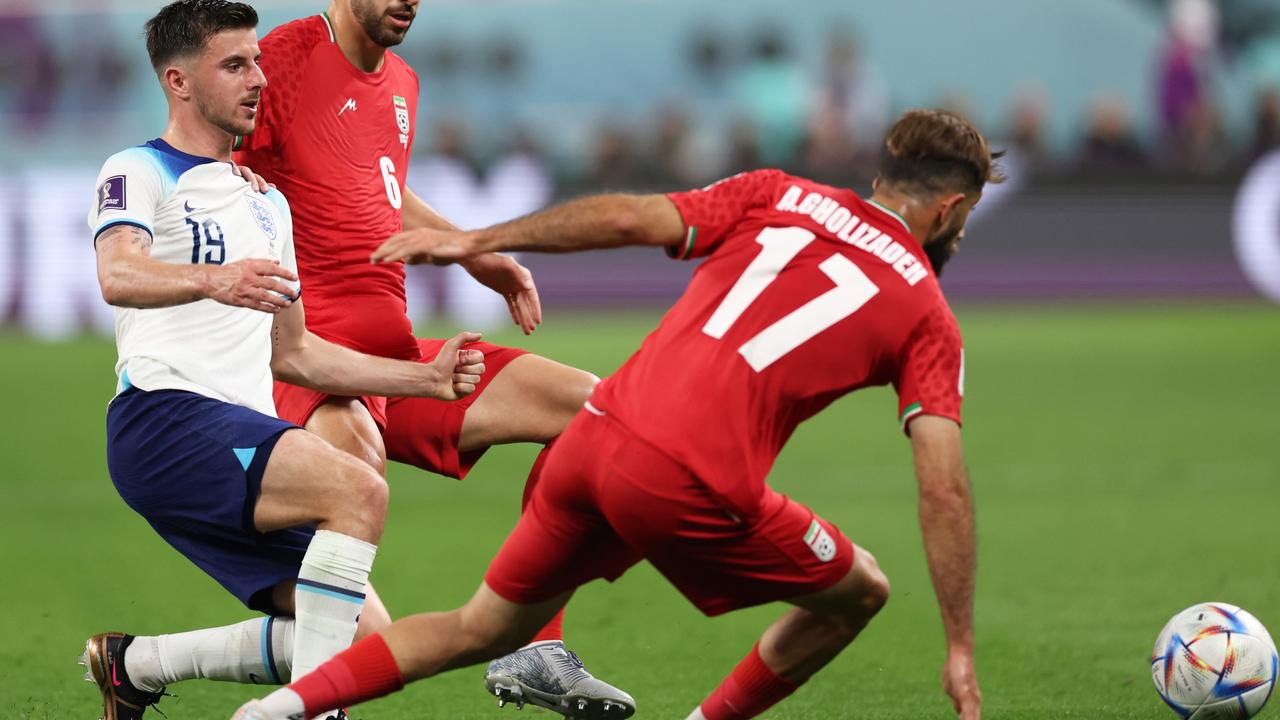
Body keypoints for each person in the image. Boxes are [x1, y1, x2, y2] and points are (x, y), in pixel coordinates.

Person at [234, 108, 998, 720]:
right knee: (859, 589)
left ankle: (275, 713)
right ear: (951, 208)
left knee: (477, 629)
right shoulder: (927, 314)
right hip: (686, 478)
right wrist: (959, 645)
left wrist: (478, 240)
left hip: (595, 432)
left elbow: (631, 218)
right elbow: (944, 488)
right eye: (963, 223)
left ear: (880, 177)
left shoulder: (778, 193)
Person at [78, 3, 484, 719]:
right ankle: (308, 712)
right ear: (178, 81)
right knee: (359, 491)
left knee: (369, 640)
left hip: (236, 427)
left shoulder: (268, 206)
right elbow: (119, 274)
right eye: (234, 65)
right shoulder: (137, 169)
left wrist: (423, 380)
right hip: (163, 419)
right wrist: (214, 279)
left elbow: (293, 354)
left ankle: (134, 665)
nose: (258, 79)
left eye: (257, 61)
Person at [230, 0, 632, 714]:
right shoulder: (281, 60)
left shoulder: (404, 84)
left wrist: (474, 250)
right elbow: (212, 158)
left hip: (403, 362)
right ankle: (299, 699)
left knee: (594, 413)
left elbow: (384, 186)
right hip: (312, 363)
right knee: (354, 486)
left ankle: (535, 645)